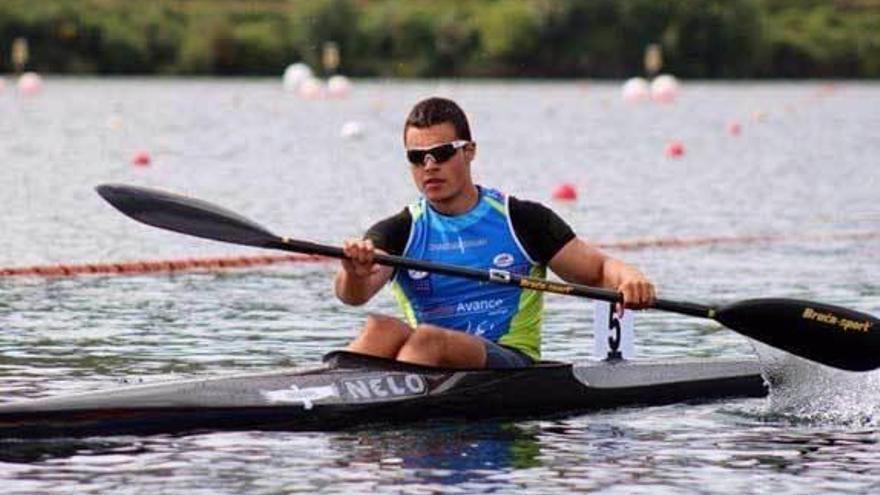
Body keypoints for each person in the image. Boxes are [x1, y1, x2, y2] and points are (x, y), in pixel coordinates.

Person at [335, 97, 655, 369]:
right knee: (381, 328)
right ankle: (324, 402)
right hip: (427, 360)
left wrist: (629, 277)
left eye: (442, 153)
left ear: (469, 151)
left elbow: (597, 270)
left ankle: (382, 420)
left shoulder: (521, 220)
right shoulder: (401, 230)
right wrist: (354, 272)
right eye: (417, 157)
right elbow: (354, 295)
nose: (429, 166)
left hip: (509, 361)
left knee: (429, 339)